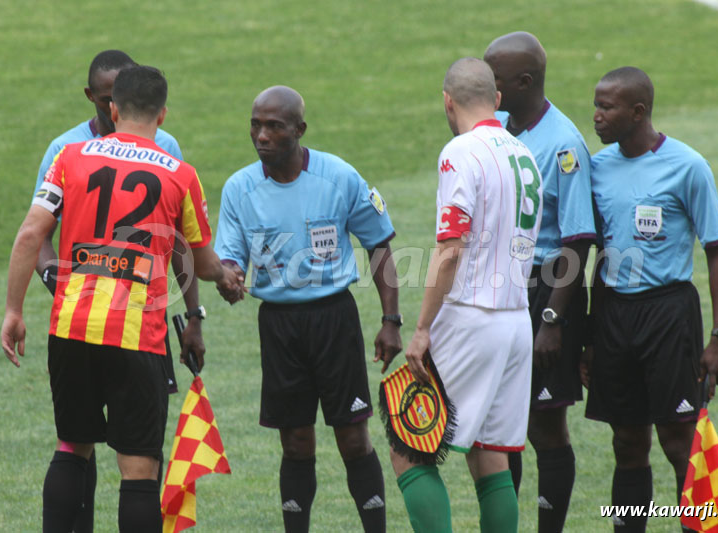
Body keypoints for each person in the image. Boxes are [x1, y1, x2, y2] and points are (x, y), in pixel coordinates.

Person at [1, 65, 241, 532]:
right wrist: (227, 278)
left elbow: (31, 232)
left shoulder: (69, 157)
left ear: (112, 108)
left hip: (71, 326)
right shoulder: (180, 173)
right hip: (138, 337)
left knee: (71, 446)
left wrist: (13, 309)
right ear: (163, 115)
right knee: (138, 468)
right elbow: (201, 261)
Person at [214, 85, 402, 533]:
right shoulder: (240, 188)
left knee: (353, 437)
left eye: (274, 126)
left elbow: (379, 247)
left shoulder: (338, 177)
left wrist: (390, 321)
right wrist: (229, 278)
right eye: (256, 125)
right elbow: (228, 257)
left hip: (334, 319)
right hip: (278, 326)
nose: (261, 135)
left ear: (299, 130)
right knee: (296, 442)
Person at [391, 57, 542, 533]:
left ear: (447, 101)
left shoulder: (460, 151)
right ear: (497, 101)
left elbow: (451, 249)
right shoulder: (526, 154)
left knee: (408, 449)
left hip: (471, 317)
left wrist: (420, 330)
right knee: (490, 454)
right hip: (516, 322)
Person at [584, 66, 718, 532]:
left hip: (669, 313)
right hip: (613, 313)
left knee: (679, 441)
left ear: (638, 111)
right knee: (627, 441)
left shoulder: (687, 166)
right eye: (597, 105)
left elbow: (717, 252)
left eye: (607, 107)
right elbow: (595, 253)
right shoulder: (598, 167)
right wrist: (588, 336)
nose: (597, 116)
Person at [484, 32, 595, 532]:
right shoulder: (497, 132)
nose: (488, 87)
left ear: (523, 82)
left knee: (546, 424)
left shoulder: (563, 144)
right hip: (504, 291)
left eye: (496, 80)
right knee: (505, 423)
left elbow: (576, 243)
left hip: (549, 289)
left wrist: (552, 320)